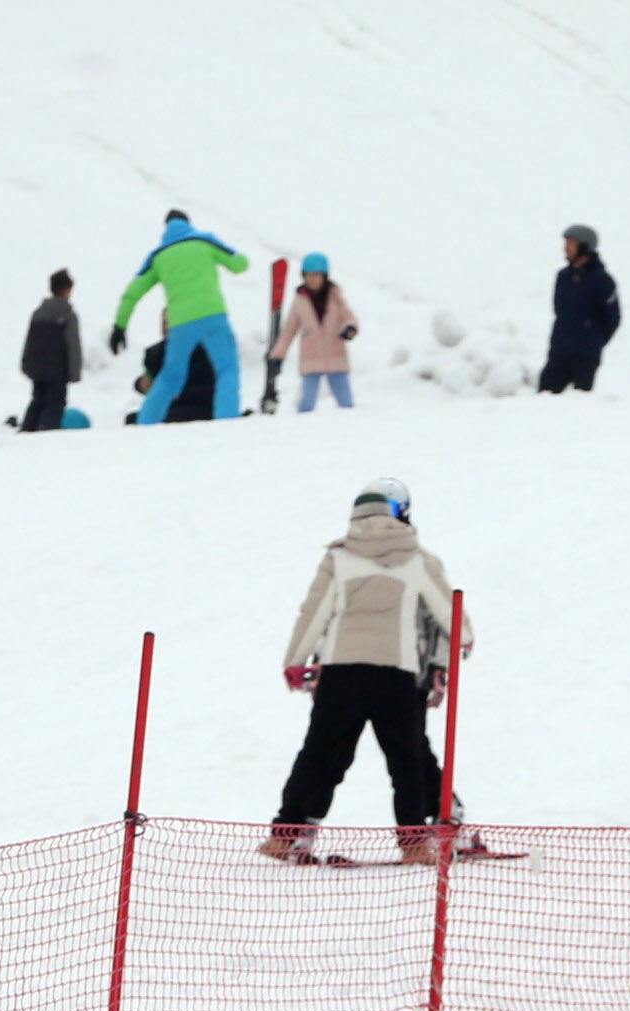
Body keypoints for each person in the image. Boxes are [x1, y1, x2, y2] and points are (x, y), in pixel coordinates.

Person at [259, 478, 475, 864]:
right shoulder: (418, 559)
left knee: (319, 753)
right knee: (406, 761)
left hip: (342, 672)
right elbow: (448, 610)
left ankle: (285, 835)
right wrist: (465, 638)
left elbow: (314, 612)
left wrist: (295, 660)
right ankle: (413, 844)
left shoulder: (338, 558)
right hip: (397, 673)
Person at [110, 209, 249, 424]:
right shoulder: (204, 241)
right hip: (213, 316)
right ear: (188, 223)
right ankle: (226, 421)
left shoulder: (158, 256)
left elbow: (132, 293)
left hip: (180, 323)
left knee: (171, 376)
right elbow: (241, 264)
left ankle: (146, 422)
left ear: (166, 228)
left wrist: (120, 326)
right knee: (227, 370)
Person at [271, 252, 360, 411]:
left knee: (346, 403)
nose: (312, 279)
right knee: (306, 404)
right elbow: (289, 331)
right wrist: (278, 355)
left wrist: (350, 328)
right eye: (308, 275)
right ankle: (302, 431)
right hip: (311, 358)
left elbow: (349, 317)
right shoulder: (300, 300)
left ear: (324, 276)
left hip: (335, 356)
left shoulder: (335, 296)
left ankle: (351, 430)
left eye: (316, 275)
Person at [538, 223, 620, 393]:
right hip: (559, 351)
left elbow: (613, 318)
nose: (565, 248)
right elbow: (558, 309)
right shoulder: (563, 277)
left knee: (580, 404)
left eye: (571, 243)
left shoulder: (602, 280)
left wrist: (594, 339)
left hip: (586, 356)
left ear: (584, 246)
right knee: (544, 398)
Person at [18, 270, 83, 432]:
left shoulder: (38, 313)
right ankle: (48, 433)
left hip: (37, 369)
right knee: (55, 403)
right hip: (57, 370)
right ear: (67, 290)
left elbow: (30, 341)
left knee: (37, 400)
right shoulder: (68, 315)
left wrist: (26, 364)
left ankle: (28, 429)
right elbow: (73, 346)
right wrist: (75, 372)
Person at [126, 311, 216, 424]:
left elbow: (210, 389)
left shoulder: (202, 351)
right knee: (132, 419)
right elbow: (148, 380)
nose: (168, 327)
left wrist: (178, 394)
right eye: (164, 323)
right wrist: (141, 384)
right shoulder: (154, 353)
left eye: (173, 322)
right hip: (167, 408)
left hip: (199, 408)